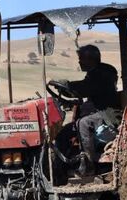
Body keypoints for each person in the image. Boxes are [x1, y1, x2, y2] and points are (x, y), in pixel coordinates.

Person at [50, 44, 121, 175]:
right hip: (98, 112)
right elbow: (84, 90)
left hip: (108, 115)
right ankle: (61, 167)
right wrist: (66, 91)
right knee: (64, 132)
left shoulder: (102, 73)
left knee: (83, 123)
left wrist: (68, 85)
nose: (79, 61)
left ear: (92, 59)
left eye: (82, 58)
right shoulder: (94, 73)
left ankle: (89, 164)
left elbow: (86, 88)